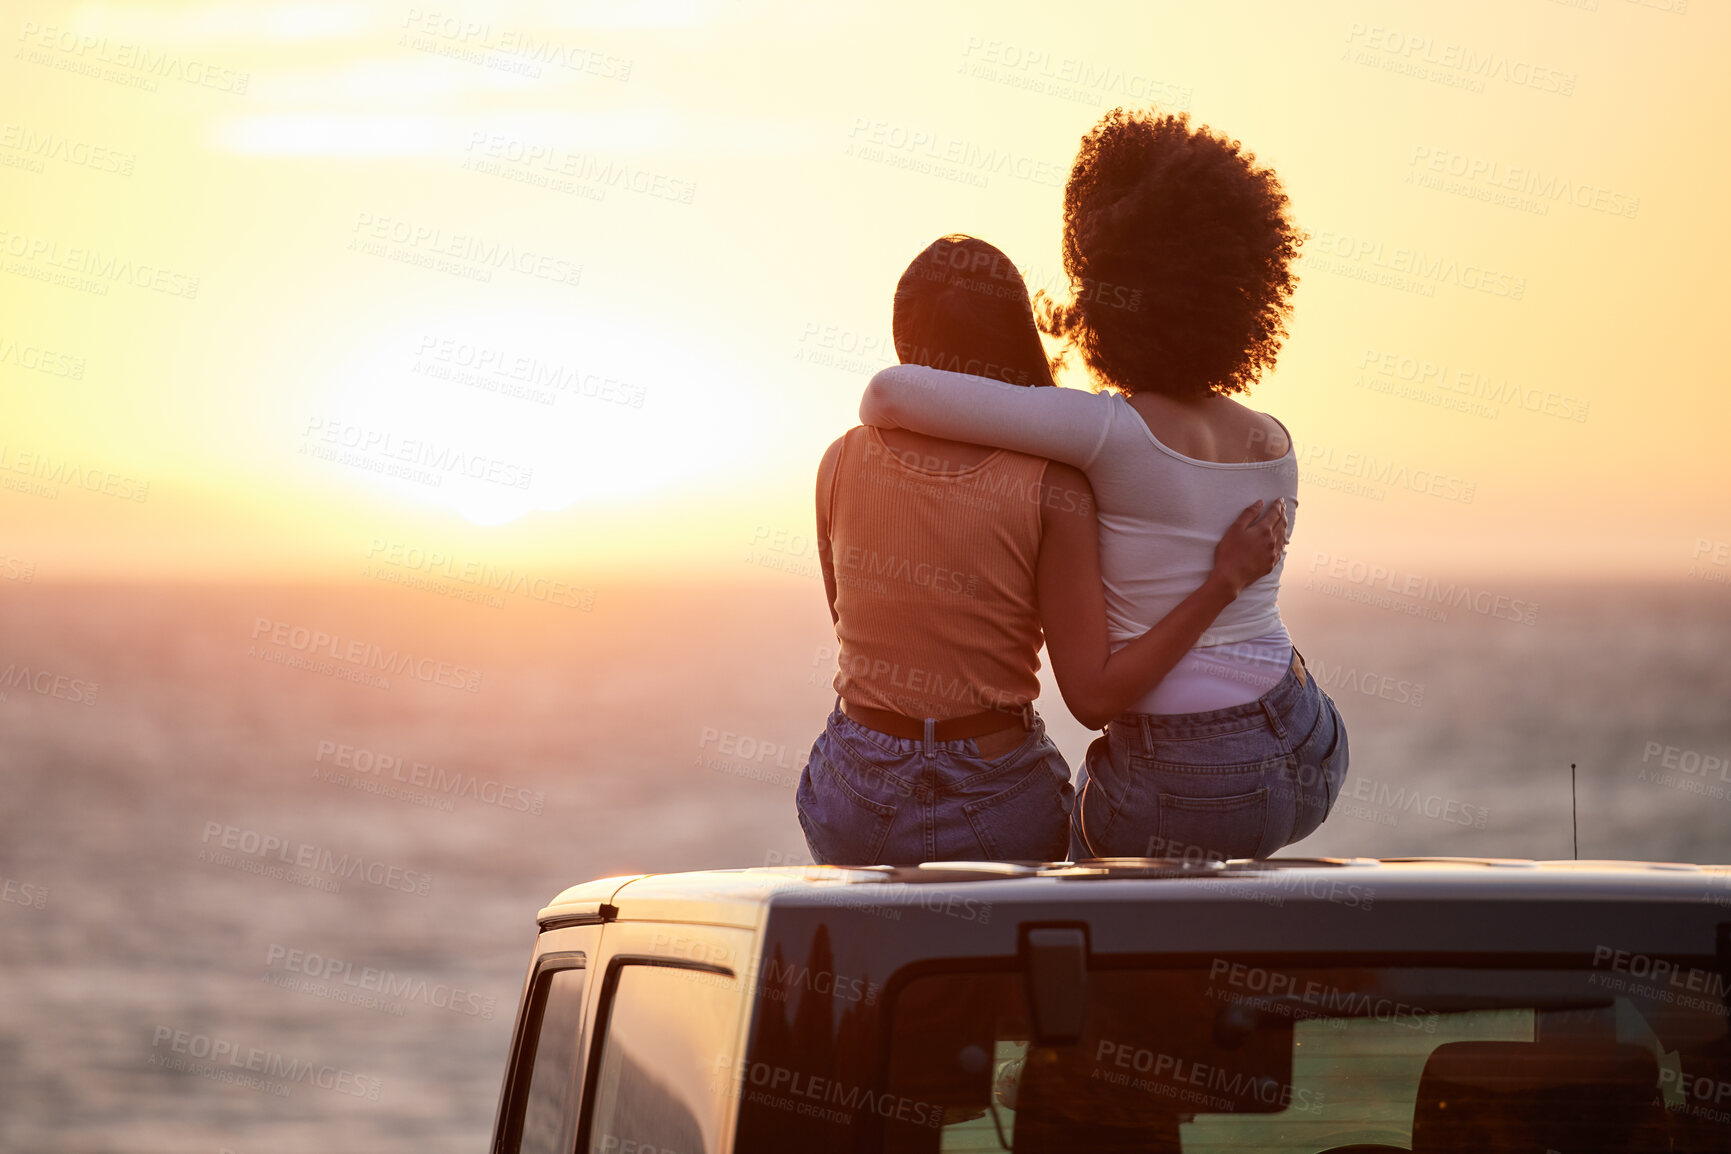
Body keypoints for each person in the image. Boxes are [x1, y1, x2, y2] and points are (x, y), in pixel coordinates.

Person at [859, 110, 1348, 862]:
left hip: (1190, 774)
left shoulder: (1105, 433)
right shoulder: (1272, 441)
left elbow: (888, 396)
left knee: (1071, 850)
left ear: (1107, 296)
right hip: (1309, 743)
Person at [798, 234, 1287, 866]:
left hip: (855, 794)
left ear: (904, 341)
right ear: (1014, 335)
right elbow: (1094, 698)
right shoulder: (1053, 485)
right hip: (996, 796)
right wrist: (1223, 583)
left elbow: (852, 622)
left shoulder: (839, 461)